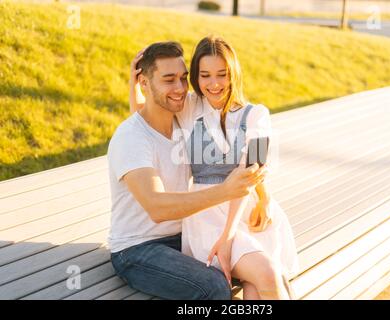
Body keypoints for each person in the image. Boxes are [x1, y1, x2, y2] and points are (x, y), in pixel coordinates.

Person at [130, 36, 300, 300]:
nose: (214, 84)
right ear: (196, 77)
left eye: (222, 74)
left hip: (247, 214)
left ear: (234, 73)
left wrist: (233, 233)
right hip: (206, 217)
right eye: (205, 75)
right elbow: (143, 117)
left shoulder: (257, 116)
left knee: (257, 287)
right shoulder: (188, 107)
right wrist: (136, 82)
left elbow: (248, 174)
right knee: (266, 273)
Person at [107, 41, 265, 300]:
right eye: (169, 80)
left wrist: (263, 195)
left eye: (183, 78)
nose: (180, 89)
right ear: (144, 83)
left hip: (184, 235)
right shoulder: (130, 137)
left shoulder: (181, 122)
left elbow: (246, 154)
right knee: (215, 287)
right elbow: (157, 208)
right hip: (138, 248)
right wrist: (224, 191)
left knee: (259, 266)